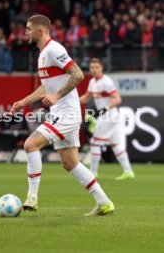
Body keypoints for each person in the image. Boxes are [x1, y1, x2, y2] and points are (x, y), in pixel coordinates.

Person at [10, 14, 114, 216]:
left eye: (29, 28)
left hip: (67, 113)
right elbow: (46, 86)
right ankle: (104, 203)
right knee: (70, 163)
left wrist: (57, 95)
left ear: (40, 31)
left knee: (30, 145)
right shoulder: (42, 55)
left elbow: (78, 74)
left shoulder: (54, 50)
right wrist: (24, 102)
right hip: (62, 112)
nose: (26, 32)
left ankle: (32, 197)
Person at [80, 58, 135, 180]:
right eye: (92, 67)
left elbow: (117, 99)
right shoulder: (92, 82)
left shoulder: (106, 82)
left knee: (94, 142)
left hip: (109, 115)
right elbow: (87, 97)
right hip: (110, 116)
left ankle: (93, 172)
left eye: (96, 67)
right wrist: (73, 101)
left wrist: (104, 108)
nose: (94, 70)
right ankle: (128, 171)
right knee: (115, 144)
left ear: (101, 68)